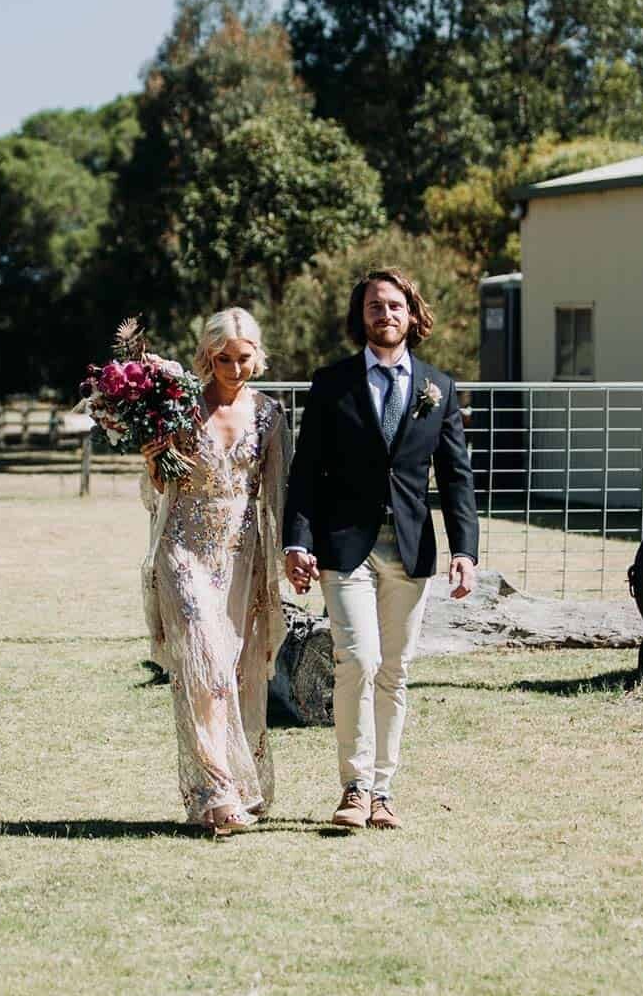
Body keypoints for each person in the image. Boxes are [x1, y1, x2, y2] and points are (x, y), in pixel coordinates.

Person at [282, 268, 479, 831]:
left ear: (412, 315)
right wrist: (297, 539)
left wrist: (465, 549)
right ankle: (354, 786)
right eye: (374, 306)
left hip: (411, 549)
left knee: (394, 671)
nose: (384, 314)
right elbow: (306, 472)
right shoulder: (332, 383)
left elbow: (456, 476)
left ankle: (384, 792)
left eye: (394, 305)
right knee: (358, 662)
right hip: (346, 549)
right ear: (360, 316)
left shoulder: (438, 387)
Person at [140, 308, 290, 835]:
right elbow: (160, 487)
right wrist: (154, 456)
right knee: (204, 662)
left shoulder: (271, 415)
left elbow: (278, 492)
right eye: (222, 358)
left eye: (242, 358)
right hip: (183, 546)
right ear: (207, 357)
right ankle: (216, 787)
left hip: (241, 554)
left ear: (257, 355)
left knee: (238, 671)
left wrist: (290, 556)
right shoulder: (180, 409)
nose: (233, 367)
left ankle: (234, 786)